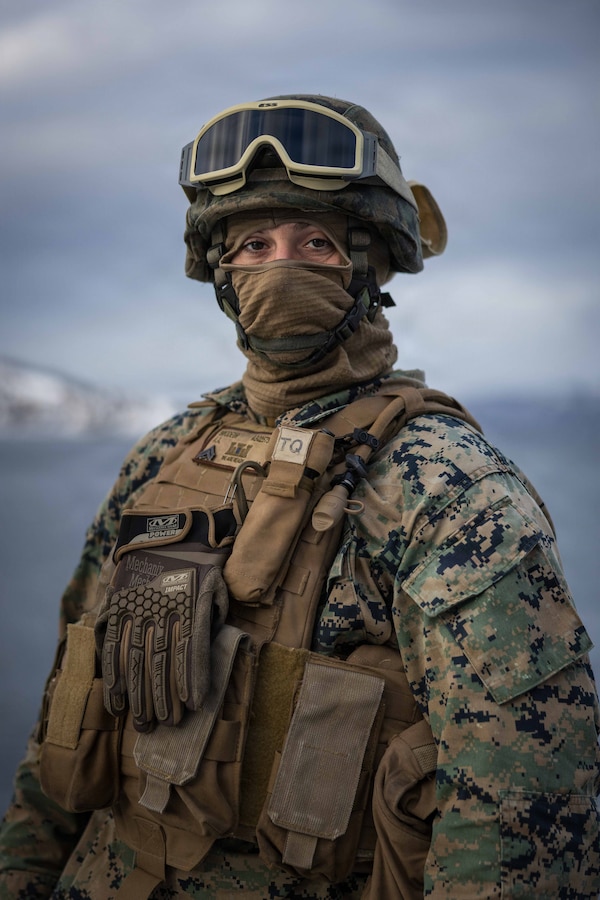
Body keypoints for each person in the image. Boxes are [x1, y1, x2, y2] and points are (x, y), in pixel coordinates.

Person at [0, 94, 598, 900]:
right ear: (220, 272)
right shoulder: (166, 454)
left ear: (368, 265)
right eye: (253, 243)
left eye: (315, 241)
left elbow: (522, 814)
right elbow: (61, 729)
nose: (279, 265)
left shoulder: (450, 490)